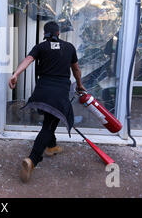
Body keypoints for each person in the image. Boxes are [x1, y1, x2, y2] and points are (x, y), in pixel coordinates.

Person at [9, 21, 86, 183]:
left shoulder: (41, 47)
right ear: (58, 33)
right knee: (49, 125)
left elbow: (28, 59)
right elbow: (76, 69)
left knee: (50, 119)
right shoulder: (69, 47)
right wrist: (79, 85)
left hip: (41, 92)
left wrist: (15, 74)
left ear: (45, 34)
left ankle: (51, 147)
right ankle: (32, 159)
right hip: (58, 95)